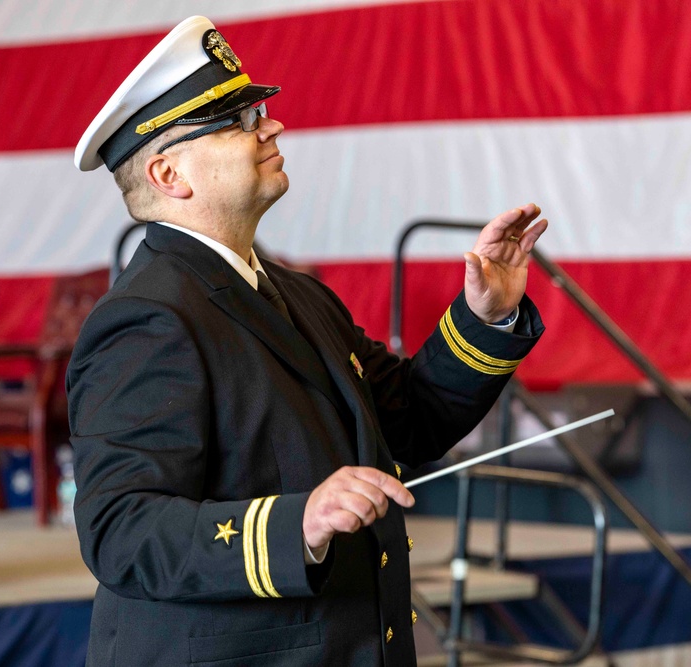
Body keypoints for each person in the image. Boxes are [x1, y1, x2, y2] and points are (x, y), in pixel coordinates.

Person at [69, 15, 547, 667]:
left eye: (257, 109)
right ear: (168, 175)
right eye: (236, 120)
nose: (271, 125)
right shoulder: (148, 316)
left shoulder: (298, 294)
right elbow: (120, 529)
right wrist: (294, 524)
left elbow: (407, 421)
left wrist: (482, 315)